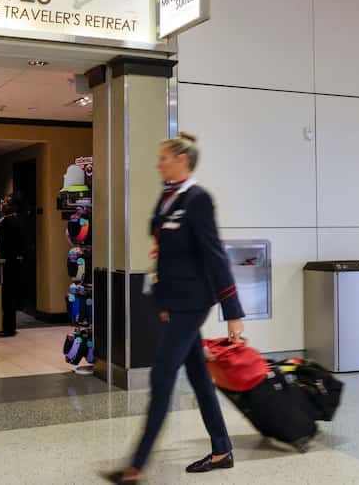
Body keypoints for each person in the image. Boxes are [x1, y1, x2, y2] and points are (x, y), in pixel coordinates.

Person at [106, 133, 246, 484]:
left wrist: (233, 313)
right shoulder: (169, 196)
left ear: (182, 159)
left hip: (193, 302)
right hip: (175, 302)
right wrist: (162, 300)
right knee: (198, 376)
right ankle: (222, 448)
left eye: (164, 157)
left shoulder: (198, 200)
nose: (158, 163)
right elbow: (164, 250)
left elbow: (215, 255)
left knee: (161, 376)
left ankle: (136, 466)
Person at [0, 194, 24, 337]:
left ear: (12, 206)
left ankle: (8, 328)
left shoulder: (8, 222)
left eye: (5, 202)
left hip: (9, 262)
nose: (2, 204)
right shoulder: (16, 220)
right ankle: (8, 327)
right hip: (15, 262)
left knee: (8, 296)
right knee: (10, 295)